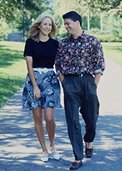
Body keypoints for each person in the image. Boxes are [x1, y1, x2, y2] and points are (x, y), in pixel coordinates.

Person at [55, 11, 105, 170]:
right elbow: (58, 65)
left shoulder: (92, 41)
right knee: (72, 121)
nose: (66, 26)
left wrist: (93, 85)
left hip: (88, 81)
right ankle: (77, 156)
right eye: (65, 24)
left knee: (91, 117)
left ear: (77, 22)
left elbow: (100, 64)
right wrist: (64, 82)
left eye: (68, 23)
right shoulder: (63, 43)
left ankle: (89, 141)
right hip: (70, 82)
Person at [22, 14, 61, 162]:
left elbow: (60, 64)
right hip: (34, 80)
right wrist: (36, 87)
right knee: (37, 118)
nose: (47, 27)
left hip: (51, 80)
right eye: (45, 24)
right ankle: (44, 149)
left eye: (50, 25)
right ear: (39, 26)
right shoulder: (31, 42)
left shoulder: (55, 43)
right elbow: (29, 66)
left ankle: (53, 145)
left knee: (50, 118)